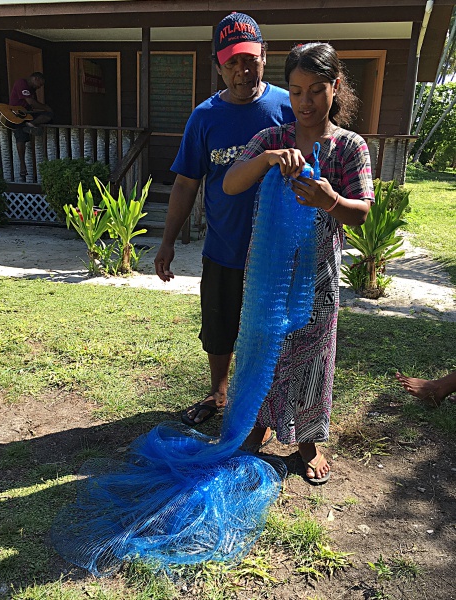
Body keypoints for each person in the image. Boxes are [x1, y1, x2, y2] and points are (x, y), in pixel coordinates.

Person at [223, 42, 374, 484]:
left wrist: (332, 201)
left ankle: (308, 441)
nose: (305, 102)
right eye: (295, 91)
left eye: (316, 91)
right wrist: (268, 160)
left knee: (311, 353)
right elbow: (232, 183)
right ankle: (257, 421)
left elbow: (361, 212)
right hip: (269, 276)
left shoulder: (348, 148)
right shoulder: (273, 139)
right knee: (262, 343)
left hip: (318, 276)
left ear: (335, 88)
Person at [154, 12, 294, 440]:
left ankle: (260, 406)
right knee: (219, 326)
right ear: (219, 65)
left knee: (267, 329)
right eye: (232, 62)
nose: (242, 70)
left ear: (264, 57)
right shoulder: (204, 117)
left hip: (276, 253)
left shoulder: (289, 106)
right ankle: (218, 394)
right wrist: (167, 242)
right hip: (223, 247)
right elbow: (185, 184)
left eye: (250, 59)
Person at [9, 72, 53, 180]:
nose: (39, 87)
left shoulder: (32, 90)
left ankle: (31, 124)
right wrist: (46, 107)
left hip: (27, 114)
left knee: (48, 116)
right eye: (40, 84)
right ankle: (22, 165)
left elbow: (32, 104)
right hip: (16, 114)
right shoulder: (21, 83)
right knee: (20, 136)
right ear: (35, 78)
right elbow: (31, 102)